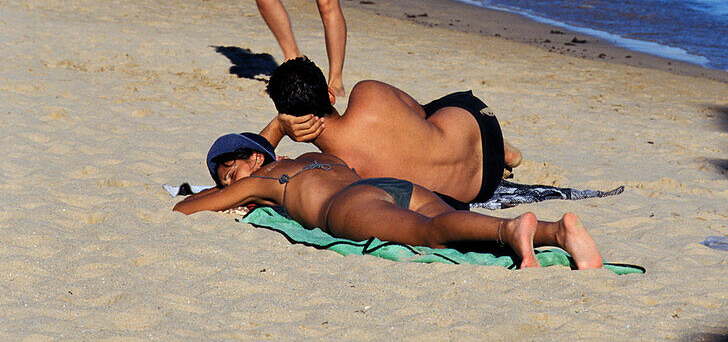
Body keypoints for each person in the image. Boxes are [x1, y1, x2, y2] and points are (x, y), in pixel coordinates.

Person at [174, 134, 605, 271]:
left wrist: (215, 193)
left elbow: (184, 209)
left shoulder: (262, 180)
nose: (228, 181)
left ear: (255, 158)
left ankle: (510, 228)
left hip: (346, 207)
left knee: (430, 235)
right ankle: (556, 231)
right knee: (452, 221)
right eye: (223, 179)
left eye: (230, 170)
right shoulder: (312, 156)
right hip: (387, 184)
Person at [259, 56, 521, 207]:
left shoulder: (332, 168)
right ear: (330, 95)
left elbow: (253, 168)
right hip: (483, 127)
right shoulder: (367, 93)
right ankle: (505, 152)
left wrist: (277, 128)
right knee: (424, 113)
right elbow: (420, 113)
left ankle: (497, 158)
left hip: (480, 189)